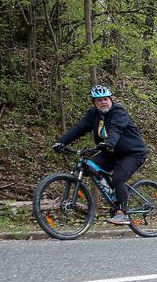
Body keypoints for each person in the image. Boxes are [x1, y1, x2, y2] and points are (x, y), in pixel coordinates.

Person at [53, 85, 148, 226]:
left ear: (110, 99)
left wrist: (109, 142)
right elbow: (79, 128)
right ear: (94, 103)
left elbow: (116, 129)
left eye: (105, 99)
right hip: (111, 152)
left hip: (132, 153)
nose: (103, 102)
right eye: (99, 100)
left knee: (118, 179)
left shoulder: (119, 112)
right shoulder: (93, 114)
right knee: (89, 166)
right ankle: (116, 197)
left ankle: (122, 213)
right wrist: (61, 142)